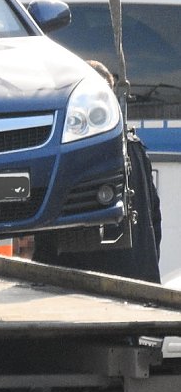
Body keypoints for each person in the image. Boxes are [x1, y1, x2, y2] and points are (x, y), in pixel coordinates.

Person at [32, 60, 162, 283]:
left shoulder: (73, 150)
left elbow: (51, 225)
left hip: (81, 286)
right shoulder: (134, 146)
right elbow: (154, 219)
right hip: (138, 280)